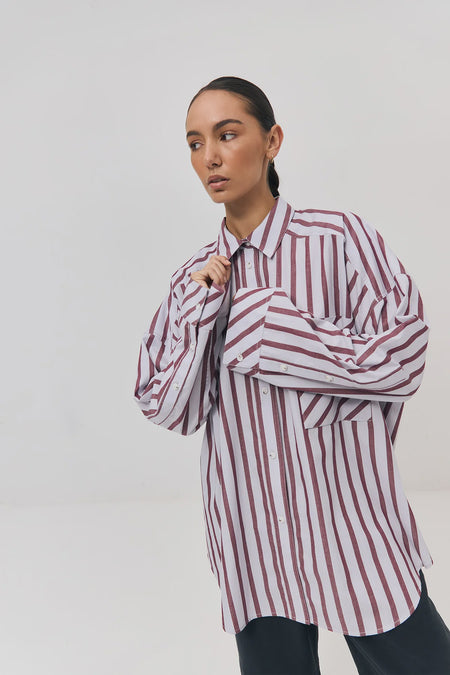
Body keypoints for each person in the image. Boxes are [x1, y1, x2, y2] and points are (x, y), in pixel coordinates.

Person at [133, 75, 450, 674]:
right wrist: (199, 316)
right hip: (252, 533)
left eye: (228, 135)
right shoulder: (193, 278)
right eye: (195, 143)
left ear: (272, 141)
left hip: (350, 521)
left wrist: (279, 334)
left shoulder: (340, 238)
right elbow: (168, 408)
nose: (211, 157)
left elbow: (405, 354)